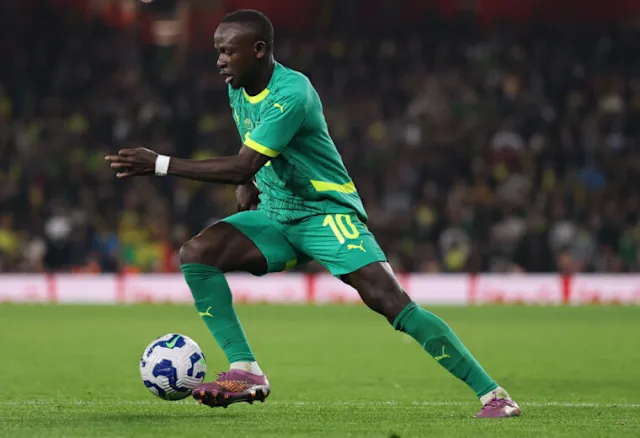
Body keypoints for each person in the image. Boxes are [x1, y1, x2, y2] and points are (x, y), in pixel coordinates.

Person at [105, 9, 520, 418]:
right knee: (198, 254)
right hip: (277, 213)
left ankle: (494, 395)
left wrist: (161, 164)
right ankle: (246, 371)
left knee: (389, 300)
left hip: (324, 213)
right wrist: (251, 183)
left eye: (228, 51)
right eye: (218, 51)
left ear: (259, 50)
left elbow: (244, 162)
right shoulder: (238, 87)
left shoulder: (292, 93)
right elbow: (256, 150)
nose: (220, 61)